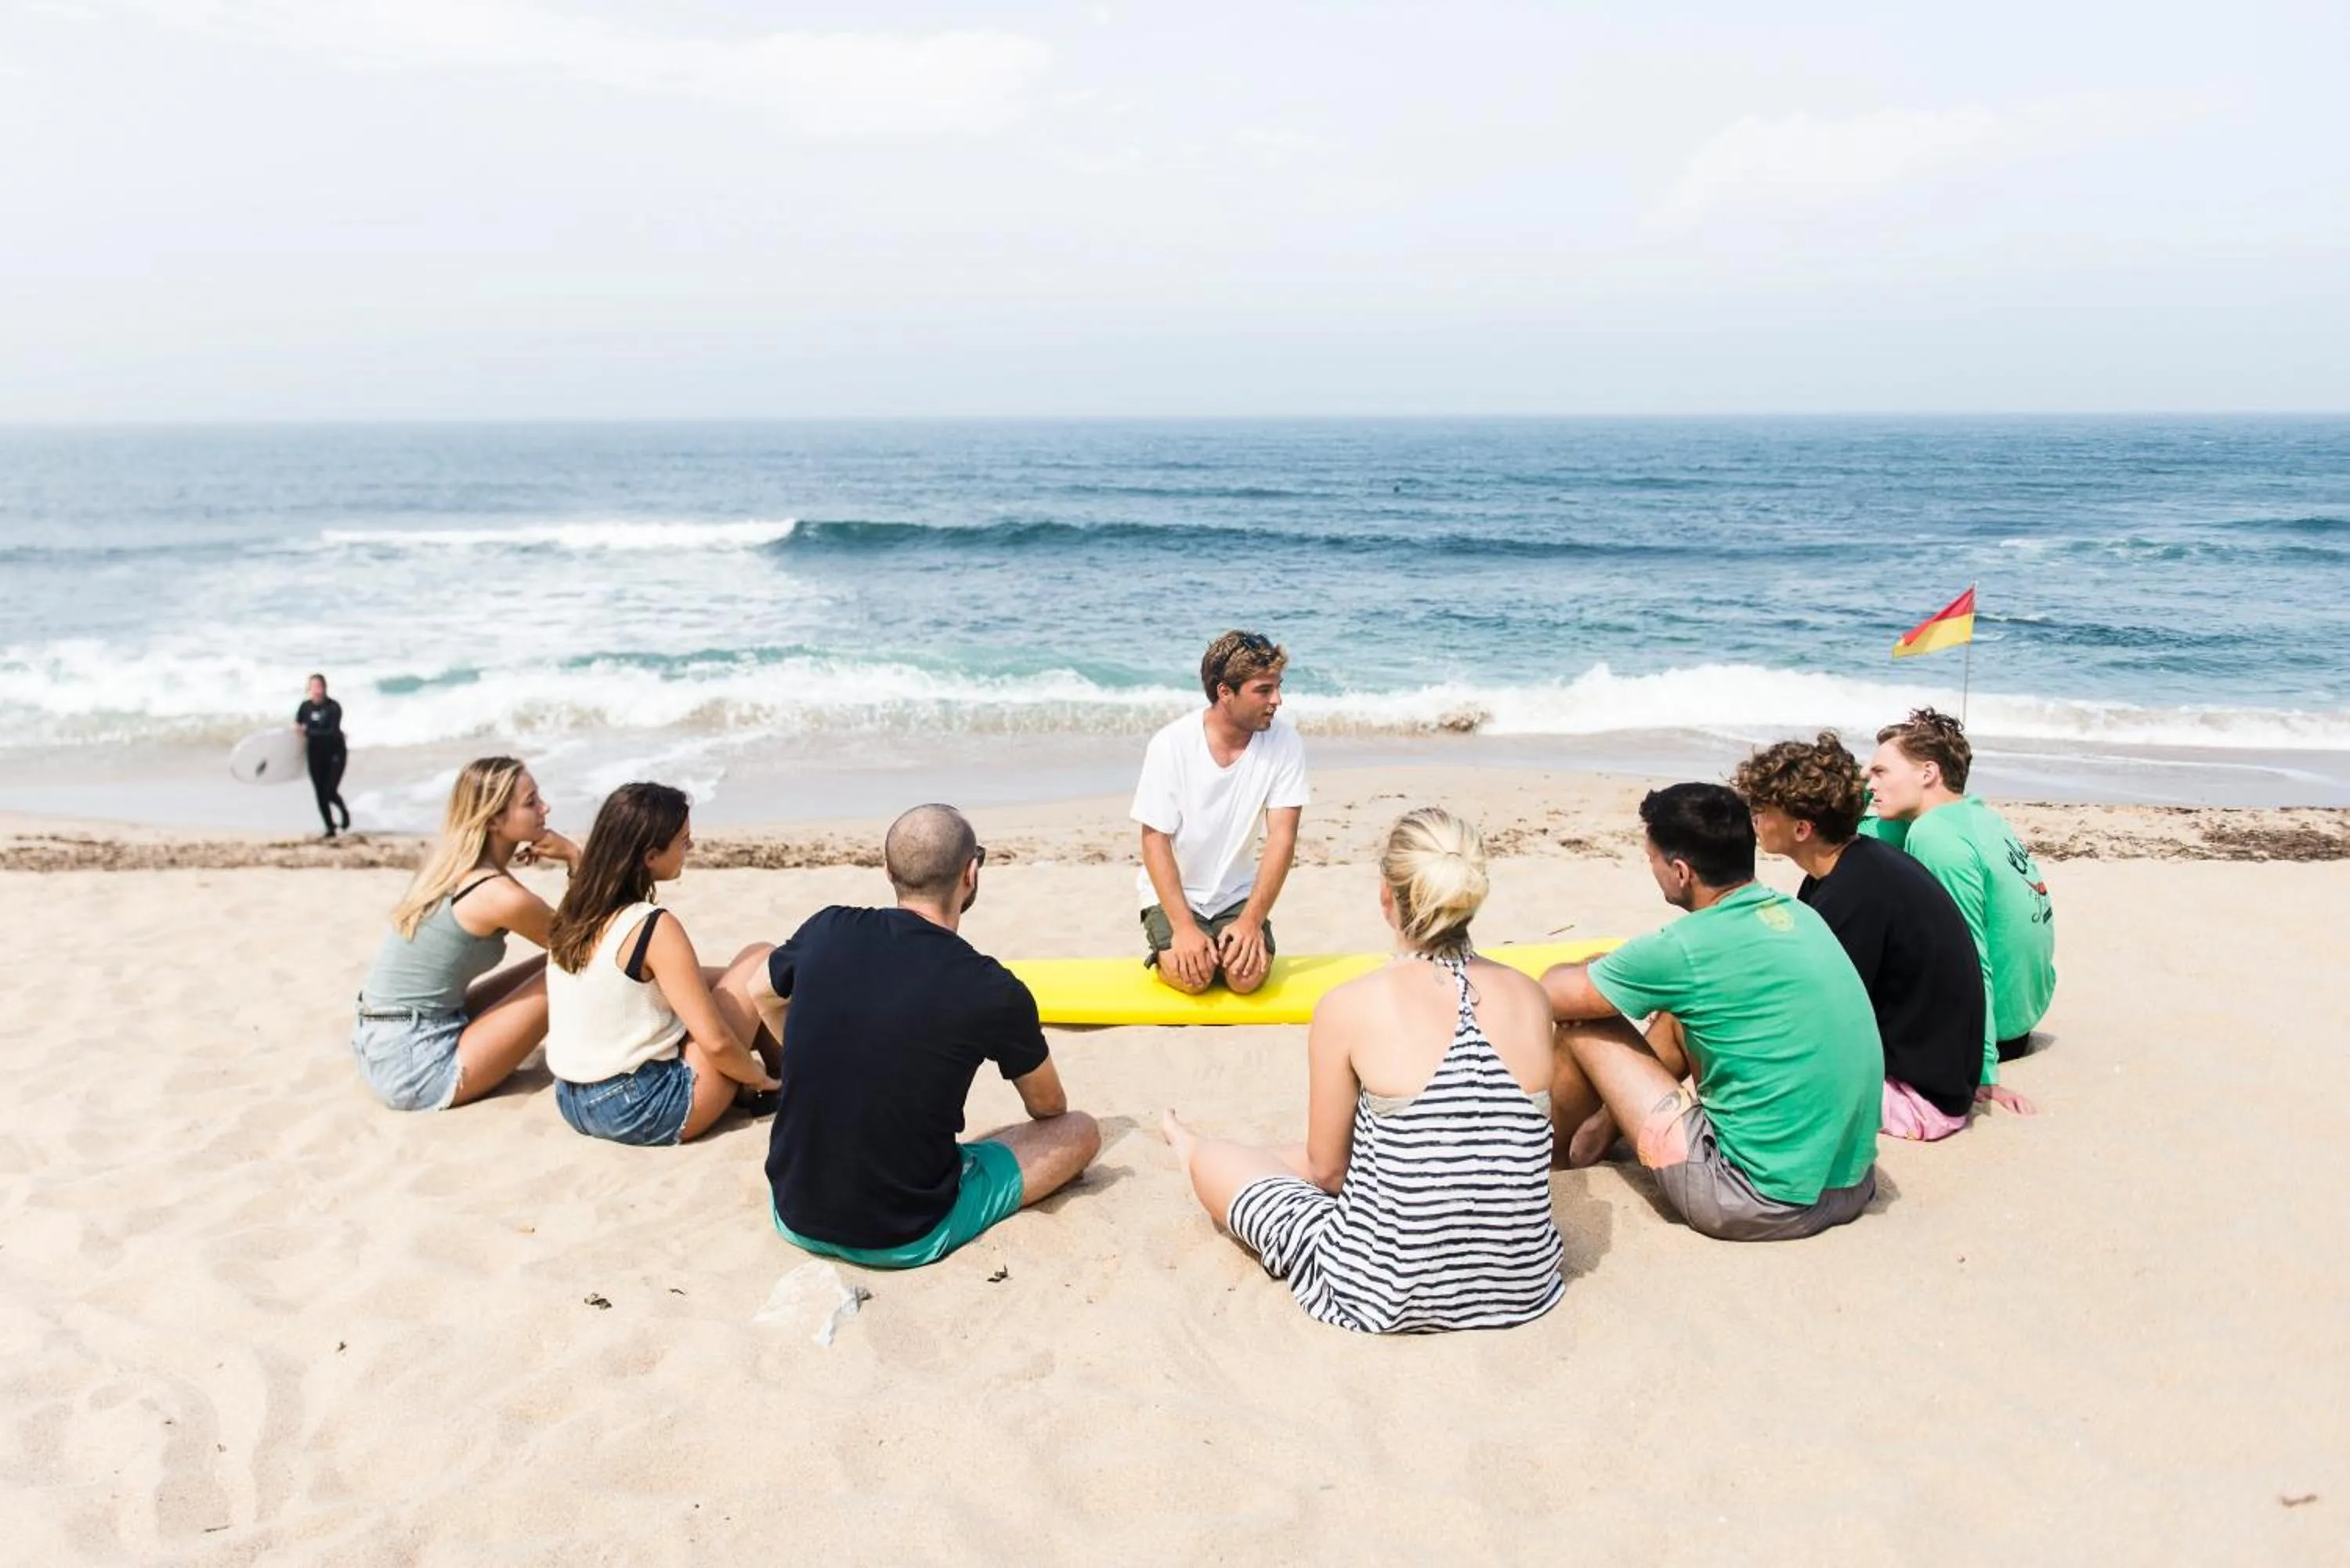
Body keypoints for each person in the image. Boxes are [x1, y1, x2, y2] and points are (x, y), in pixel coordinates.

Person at [1162, 807, 1566, 1334]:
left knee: (1217, 1161)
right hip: (1524, 1284)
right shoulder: (1532, 997)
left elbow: (1329, 1173)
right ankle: (1253, 1156)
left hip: (1384, 1291)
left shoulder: (1349, 1005)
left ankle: (1185, 1142)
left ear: (1386, 896)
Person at [758, 804, 1100, 1270]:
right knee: (1080, 1131)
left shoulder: (828, 928)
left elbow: (759, 992)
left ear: (888, 872)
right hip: (906, 1232)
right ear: (971, 873)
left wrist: (803, 1052)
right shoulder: (991, 988)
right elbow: (1048, 1108)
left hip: (793, 1212)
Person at [1542, 783, 1880, 1242]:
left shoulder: (1687, 946)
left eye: (1652, 860)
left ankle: (1555, 1165)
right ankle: (1601, 1133)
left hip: (1755, 1199)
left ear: (1681, 871)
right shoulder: (1800, 916)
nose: (1654, 869)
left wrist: (1588, 968)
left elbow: (1551, 995)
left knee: (1585, 1021)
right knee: (1687, 1012)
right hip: (1850, 1184)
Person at [1734, 734, 1991, 1140]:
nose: (1755, 819)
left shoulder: (1855, 893)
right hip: (1931, 1074)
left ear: (1801, 828)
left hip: (1918, 1097)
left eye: (1762, 810)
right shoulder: (1851, 868)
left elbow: (1817, 1017)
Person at [541, 783, 782, 1147]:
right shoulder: (651, 925)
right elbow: (716, 1043)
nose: (691, 848)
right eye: (684, 841)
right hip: (644, 1107)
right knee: (762, 958)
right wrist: (758, 1078)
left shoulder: (576, 910)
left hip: (573, 1099)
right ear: (651, 856)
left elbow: (634, 981)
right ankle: (785, 1084)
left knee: (738, 975)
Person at [349, 757, 577, 1111]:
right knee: (570, 968)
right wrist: (575, 857)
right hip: (415, 1064)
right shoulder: (497, 894)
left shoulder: (450, 866)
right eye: (531, 802)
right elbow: (586, 945)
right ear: (494, 820)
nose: (545, 808)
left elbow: (563, 942)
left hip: (379, 1040)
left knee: (551, 962)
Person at [1862, 709, 2057, 1083]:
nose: (1870, 784)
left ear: (1927, 773)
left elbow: (1969, 956)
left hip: (1990, 1037)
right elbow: (1852, 832)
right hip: (2022, 1014)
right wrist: (1868, 780)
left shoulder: (1935, 837)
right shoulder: (1976, 816)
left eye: (1881, 772)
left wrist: (1981, 1071)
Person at [1132, 630, 1309, 995]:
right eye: (1263, 690)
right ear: (1224, 692)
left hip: (1237, 895)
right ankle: (1172, 953)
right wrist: (1183, 928)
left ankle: (1218, 947)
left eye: (1278, 687)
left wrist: (1251, 921)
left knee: (1246, 980)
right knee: (1192, 979)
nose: (1277, 700)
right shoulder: (1171, 744)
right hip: (1175, 894)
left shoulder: (1284, 742)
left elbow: (1282, 838)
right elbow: (1154, 842)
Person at [295, 674, 351, 839]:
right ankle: (330, 827)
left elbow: (331, 732)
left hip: (335, 753)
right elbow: (297, 726)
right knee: (320, 794)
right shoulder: (305, 707)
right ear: (309, 689)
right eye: (313, 687)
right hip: (315, 755)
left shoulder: (333, 707)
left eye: (319, 686)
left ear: (325, 688)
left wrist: (307, 731)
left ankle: (344, 813)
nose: (317, 690)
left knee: (330, 790)